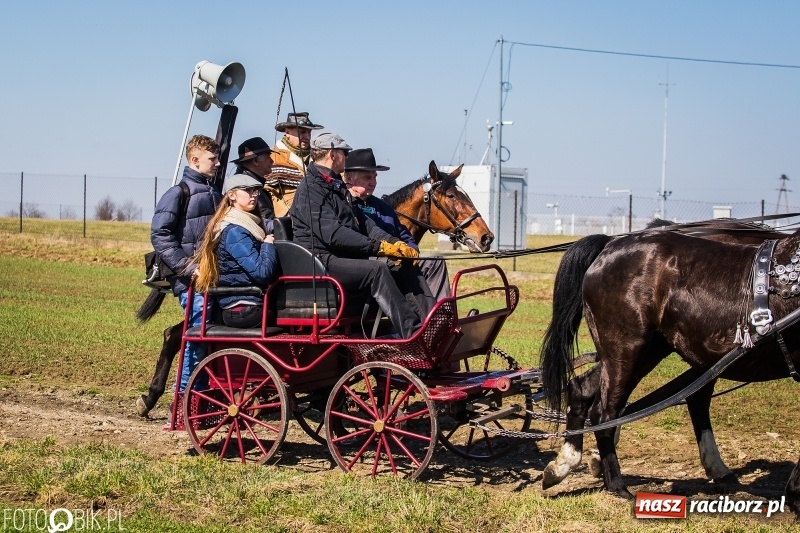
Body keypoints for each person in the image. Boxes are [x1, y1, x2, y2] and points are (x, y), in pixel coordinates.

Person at [290, 132, 435, 339]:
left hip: (342, 258)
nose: (347, 157)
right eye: (345, 153)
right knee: (378, 269)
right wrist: (379, 248)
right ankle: (413, 333)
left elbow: (365, 224)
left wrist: (396, 244)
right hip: (320, 261)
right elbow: (334, 235)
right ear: (332, 154)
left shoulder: (335, 185)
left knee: (404, 265)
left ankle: (433, 324)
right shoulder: (310, 190)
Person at [150, 134, 221, 393]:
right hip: (191, 280)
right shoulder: (178, 193)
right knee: (197, 336)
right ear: (195, 160)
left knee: (207, 335)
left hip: (211, 277)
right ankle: (185, 398)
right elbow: (160, 234)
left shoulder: (213, 192)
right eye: (212, 159)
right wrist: (189, 268)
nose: (218, 163)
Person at [343, 148, 451, 301]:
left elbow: (404, 234)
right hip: (367, 265)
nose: (373, 182)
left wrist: (412, 250)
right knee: (400, 267)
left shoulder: (383, 207)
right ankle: (422, 313)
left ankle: (442, 311)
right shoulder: (344, 205)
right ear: (349, 178)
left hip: (396, 260)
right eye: (367, 177)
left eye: (375, 177)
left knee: (435, 262)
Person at [193, 173, 279, 328]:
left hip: (249, 304)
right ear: (231, 195)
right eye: (247, 190)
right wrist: (268, 244)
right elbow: (262, 272)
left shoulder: (248, 225)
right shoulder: (235, 231)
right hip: (243, 309)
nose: (254, 195)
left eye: (255, 191)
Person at [266, 112, 323, 217]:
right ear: (287, 132)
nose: (307, 136)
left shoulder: (318, 158)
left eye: (309, 132)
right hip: (290, 219)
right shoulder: (274, 158)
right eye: (302, 132)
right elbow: (268, 194)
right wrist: (286, 213)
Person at [231, 136, 276, 234]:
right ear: (255, 161)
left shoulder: (247, 183)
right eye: (268, 157)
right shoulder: (247, 188)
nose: (272, 161)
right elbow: (265, 223)